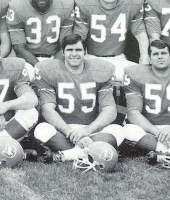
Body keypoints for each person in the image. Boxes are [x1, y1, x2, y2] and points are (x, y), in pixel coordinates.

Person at [33, 34, 123, 163]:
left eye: (78, 50)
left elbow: (109, 110)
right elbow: (47, 109)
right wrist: (70, 132)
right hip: (63, 131)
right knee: (41, 129)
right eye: (70, 50)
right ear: (63, 52)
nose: (74, 54)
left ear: (85, 52)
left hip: (92, 130)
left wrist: (87, 131)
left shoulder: (101, 70)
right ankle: (93, 151)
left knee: (118, 130)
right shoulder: (49, 70)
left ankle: (66, 155)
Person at [72, 0, 150, 81]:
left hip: (119, 59)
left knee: (141, 77)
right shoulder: (85, 3)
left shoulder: (131, 2)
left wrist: (144, 57)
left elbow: (140, 32)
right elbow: (80, 35)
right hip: (92, 58)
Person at [7, 0, 75, 66]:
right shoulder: (17, 7)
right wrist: (39, 67)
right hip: (29, 60)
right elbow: (19, 47)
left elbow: (65, 44)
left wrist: (52, 66)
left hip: (56, 58)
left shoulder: (65, 5)